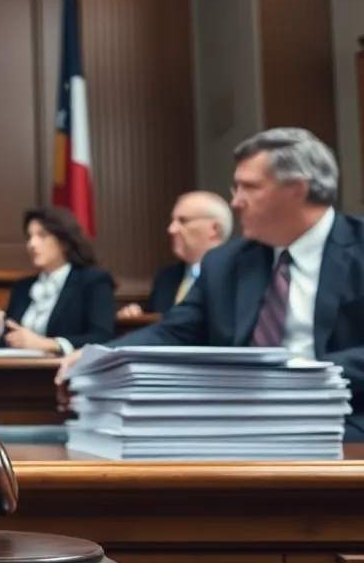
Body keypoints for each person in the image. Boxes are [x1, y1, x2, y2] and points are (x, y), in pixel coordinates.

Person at [56, 128, 364, 436]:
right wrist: (99, 358)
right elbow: (172, 332)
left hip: (344, 417)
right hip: (233, 421)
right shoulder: (226, 263)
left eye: (249, 187)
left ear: (297, 189)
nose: (236, 202)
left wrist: (302, 375)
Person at [0, 206, 116, 355]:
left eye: (42, 235)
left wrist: (47, 344)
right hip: (17, 371)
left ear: (64, 241)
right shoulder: (23, 287)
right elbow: (6, 344)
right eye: (29, 237)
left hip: (64, 372)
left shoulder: (94, 281)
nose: (32, 244)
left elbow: (101, 338)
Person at [118, 191, 233, 319]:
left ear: (214, 229)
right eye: (173, 221)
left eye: (183, 221)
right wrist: (135, 315)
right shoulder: (166, 278)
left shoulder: (235, 275)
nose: (171, 229)